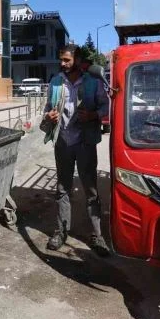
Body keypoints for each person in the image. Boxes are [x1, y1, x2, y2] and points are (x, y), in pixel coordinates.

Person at [41, 44, 111, 256]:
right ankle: (61, 231)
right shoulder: (55, 82)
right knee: (63, 189)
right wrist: (48, 117)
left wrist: (92, 116)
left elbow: (106, 106)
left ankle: (97, 235)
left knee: (91, 191)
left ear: (78, 60)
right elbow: (47, 109)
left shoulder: (93, 82)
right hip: (62, 142)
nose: (62, 64)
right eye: (61, 60)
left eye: (67, 60)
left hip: (85, 143)